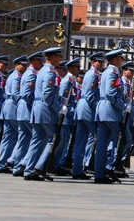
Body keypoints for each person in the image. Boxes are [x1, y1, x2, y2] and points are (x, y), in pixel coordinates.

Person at [23, 47, 67, 181]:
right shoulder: (49, 72)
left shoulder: (42, 70)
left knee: (36, 140)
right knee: (54, 138)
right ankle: (39, 167)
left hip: (38, 109)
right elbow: (48, 95)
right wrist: (59, 107)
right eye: (58, 56)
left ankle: (29, 169)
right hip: (46, 110)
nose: (60, 59)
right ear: (53, 57)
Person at [94, 49, 126, 184]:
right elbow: (110, 93)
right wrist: (122, 106)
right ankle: (109, 167)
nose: (122, 61)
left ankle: (99, 173)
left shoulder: (106, 72)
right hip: (111, 110)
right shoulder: (113, 72)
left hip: (102, 109)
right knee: (119, 139)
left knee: (102, 143)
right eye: (120, 58)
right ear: (115, 60)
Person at [12, 51, 44, 176]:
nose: (41, 64)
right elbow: (26, 94)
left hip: (22, 111)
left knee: (23, 139)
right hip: (27, 110)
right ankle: (24, 164)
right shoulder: (31, 74)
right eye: (39, 61)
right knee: (34, 139)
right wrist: (33, 105)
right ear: (33, 62)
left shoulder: (27, 73)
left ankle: (17, 166)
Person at [72, 52, 103, 180]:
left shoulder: (92, 74)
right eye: (98, 62)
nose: (101, 64)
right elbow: (91, 95)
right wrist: (98, 109)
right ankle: (96, 168)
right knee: (100, 136)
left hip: (82, 108)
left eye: (102, 62)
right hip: (88, 109)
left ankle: (77, 170)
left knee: (81, 141)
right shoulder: (93, 75)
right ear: (92, 62)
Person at [0, 55, 28, 173]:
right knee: (22, 135)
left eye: (25, 65)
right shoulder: (16, 77)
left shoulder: (13, 76)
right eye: (22, 65)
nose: (24, 67)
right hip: (13, 107)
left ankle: (2, 162)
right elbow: (16, 94)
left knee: (7, 137)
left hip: (9, 107)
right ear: (16, 65)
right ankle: (14, 161)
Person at [53, 58, 80, 176]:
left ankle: (60, 163)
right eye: (76, 67)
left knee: (65, 141)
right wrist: (72, 111)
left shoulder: (71, 80)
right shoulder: (67, 81)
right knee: (62, 141)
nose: (78, 69)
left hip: (69, 116)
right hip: (65, 116)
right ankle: (56, 165)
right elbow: (64, 99)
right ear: (70, 68)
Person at [118, 61, 134, 177]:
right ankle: (118, 163)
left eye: (133, 71)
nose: (132, 73)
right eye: (130, 70)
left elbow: (130, 100)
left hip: (129, 116)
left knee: (132, 140)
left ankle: (120, 163)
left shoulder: (128, 83)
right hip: (124, 116)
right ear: (124, 71)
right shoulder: (123, 83)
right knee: (127, 141)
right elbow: (125, 101)